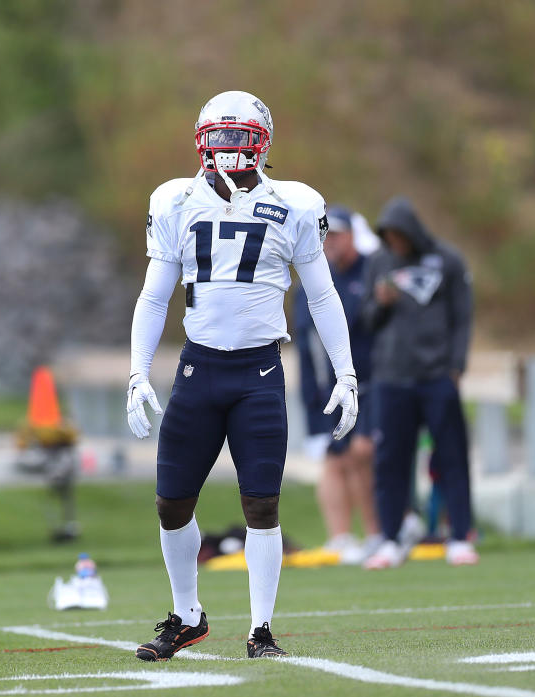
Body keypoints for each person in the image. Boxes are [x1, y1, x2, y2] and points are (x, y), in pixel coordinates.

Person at [127, 91, 357, 660]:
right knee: (170, 502)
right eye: (219, 135)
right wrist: (137, 371)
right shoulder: (175, 200)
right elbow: (155, 297)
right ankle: (187, 614)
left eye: (239, 135)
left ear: (264, 141)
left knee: (262, 504)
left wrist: (346, 372)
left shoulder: (297, 204)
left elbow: (322, 295)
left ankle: (260, 630)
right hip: (197, 367)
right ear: (201, 139)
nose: (228, 147)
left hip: (258, 371)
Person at [360, 196, 477, 569]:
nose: (394, 242)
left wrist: (456, 367)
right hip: (391, 378)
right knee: (390, 461)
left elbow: (463, 317)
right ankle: (391, 538)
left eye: (399, 235)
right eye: (388, 236)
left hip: (437, 376)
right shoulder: (379, 261)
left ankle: (460, 536)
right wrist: (381, 303)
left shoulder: (447, 260)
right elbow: (366, 320)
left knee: (451, 456)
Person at [293, 206, 382, 563]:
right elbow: (307, 341)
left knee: (362, 455)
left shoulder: (372, 271)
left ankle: (377, 533)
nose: (331, 242)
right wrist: (311, 393)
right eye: (326, 235)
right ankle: (340, 537)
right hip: (326, 386)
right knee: (334, 460)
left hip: (371, 382)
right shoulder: (314, 278)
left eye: (338, 234)